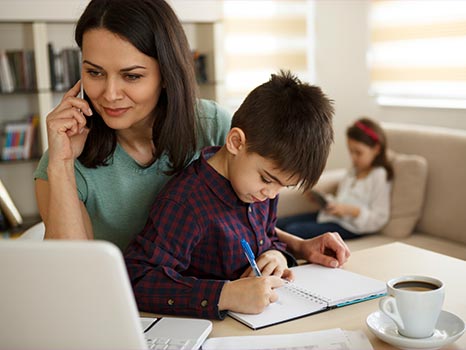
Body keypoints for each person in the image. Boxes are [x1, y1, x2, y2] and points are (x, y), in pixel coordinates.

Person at [124, 71, 349, 320]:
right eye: (267, 179)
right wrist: (224, 295)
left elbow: (267, 236)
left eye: (283, 186)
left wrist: (276, 255)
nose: (271, 194)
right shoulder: (186, 203)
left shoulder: (257, 190)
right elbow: (138, 279)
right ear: (235, 142)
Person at [33, 0, 231, 250]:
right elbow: (70, 270)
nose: (110, 94)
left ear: (167, 75)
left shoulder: (215, 127)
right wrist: (61, 166)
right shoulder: (62, 158)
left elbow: (249, 222)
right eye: (95, 72)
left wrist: (281, 249)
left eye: (132, 76)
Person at [277, 117, 393, 240]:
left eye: (358, 153)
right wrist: (325, 200)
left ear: (376, 149)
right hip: (332, 217)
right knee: (279, 223)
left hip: (350, 226)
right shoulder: (353, 171)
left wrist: (351, 210)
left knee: (293, 230)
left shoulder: (379, 175)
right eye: (351, 152)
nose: (353, 158)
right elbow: (342, 200)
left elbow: (379, 218)